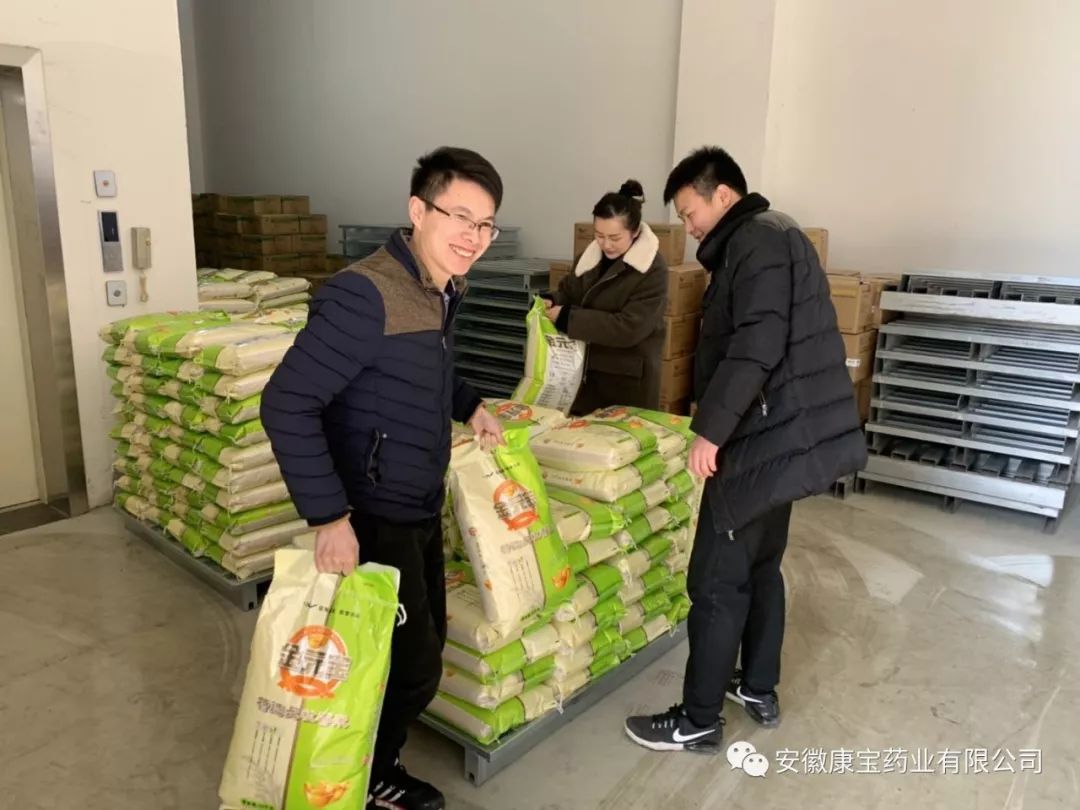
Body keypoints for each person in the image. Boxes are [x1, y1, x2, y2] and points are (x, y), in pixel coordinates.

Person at [261, 146, 506, 810]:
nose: (473, 237)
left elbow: (425, 371)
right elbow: (286, 402)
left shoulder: (441, 286)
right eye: (460, 217)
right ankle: (368, 778)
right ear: (417, 211)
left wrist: (471, 405)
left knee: (413, 649)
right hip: (371, 511)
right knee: (412, 664)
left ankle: (371, 759)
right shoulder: (365, 294)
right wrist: (329, 517)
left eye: (486, 225)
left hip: (416, 500)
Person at [624, 147, 867, 753]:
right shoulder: (776, 234)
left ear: (724, 196)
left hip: (759, 440)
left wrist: (710, 431)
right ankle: (758, 687)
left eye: (690, 212)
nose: (688, 227)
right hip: (786, 439)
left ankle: (699, 719)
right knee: (761, 567)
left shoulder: (755, 242)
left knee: (715, 579)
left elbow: (756, 345)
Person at [543, 179, 667, 415]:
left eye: (615, 237)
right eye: (599, 235)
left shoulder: (652, 268)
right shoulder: (588, 258)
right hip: (585, 376)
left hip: (628, 382)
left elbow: (629, 327)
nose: (606, 244)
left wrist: (568, 318)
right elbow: (570, 292)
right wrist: (552, 300)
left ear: (635, 231)